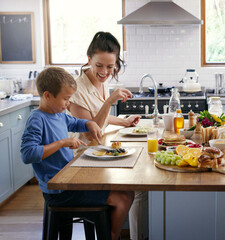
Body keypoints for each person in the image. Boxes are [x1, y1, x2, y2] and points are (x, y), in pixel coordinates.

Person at [20, 67, 134, 240]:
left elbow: (75, 122)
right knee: (123, 198)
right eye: (65, 99)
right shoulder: (37, 119)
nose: (67, 104)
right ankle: (109, 236)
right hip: (59, 192)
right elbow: (27, 154)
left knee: (124, 189)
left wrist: (89, 124)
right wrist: (62, 143)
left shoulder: (58, 114)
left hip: (69, 181)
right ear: (48, 96)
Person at [67, 31, 146, 240]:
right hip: (82, 161)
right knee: (130, 190)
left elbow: (98, 115)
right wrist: (110, 102)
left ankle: (110, 234)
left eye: (110, 67)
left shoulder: (102, 82)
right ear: (89, 59)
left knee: (135, 183)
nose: (104, 72)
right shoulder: (75, 89)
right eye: (99, 65)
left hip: (100, 154)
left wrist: (123, 121)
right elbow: (90, 131)